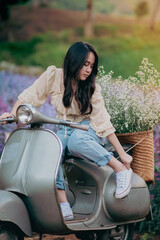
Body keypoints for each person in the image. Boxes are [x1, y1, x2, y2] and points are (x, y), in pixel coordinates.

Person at [0, 41, 133, 221]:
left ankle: (120, 171)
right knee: (49, 152)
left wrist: (122, 155)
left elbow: (103, 121)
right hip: (63, 127)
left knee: (76, 141)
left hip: (87, 129)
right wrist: (13, 113)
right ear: (74, 61)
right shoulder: (53, 76)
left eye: (92, 66)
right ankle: (63, 203)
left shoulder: (91, 87)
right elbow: (30, 96)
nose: (88, 70)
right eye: (85, 64)